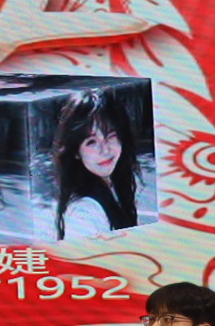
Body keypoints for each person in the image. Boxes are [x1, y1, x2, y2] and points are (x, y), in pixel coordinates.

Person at [52, 91, 148, 240]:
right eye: (91, 141)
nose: (105, 150)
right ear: (76, 151)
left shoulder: (116, 182)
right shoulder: (84, 215)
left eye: (110, 135)